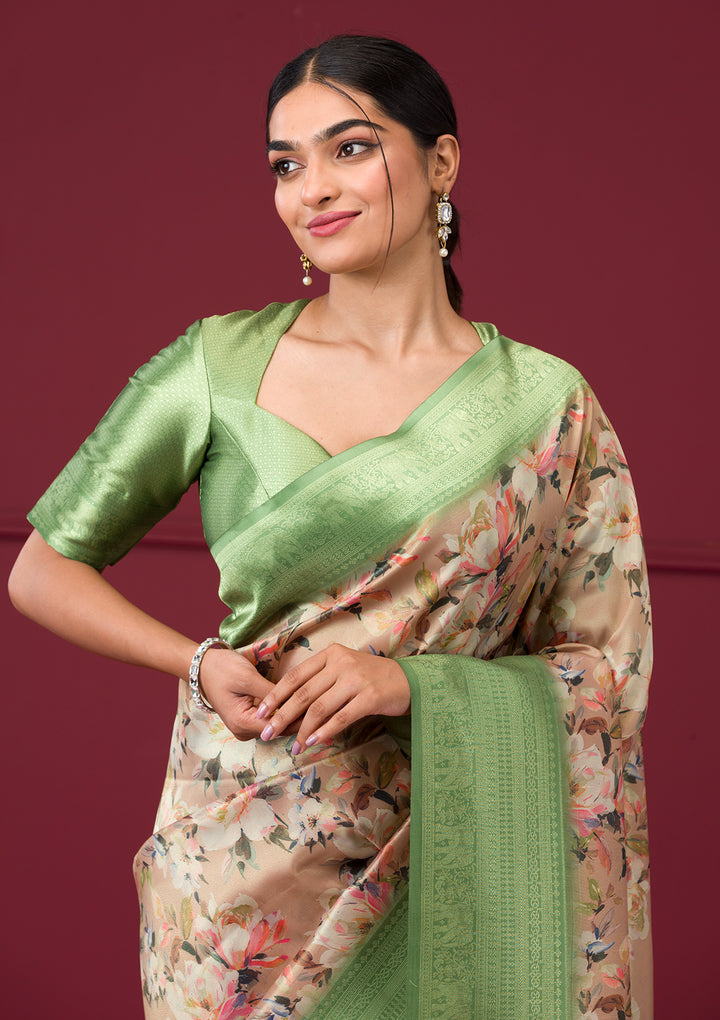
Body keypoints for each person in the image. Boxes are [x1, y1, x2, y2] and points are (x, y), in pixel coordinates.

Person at [8, 34, 652, 1020]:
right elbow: (42, 570)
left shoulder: (547, 405)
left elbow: (607, 669)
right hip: (240, 876)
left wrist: (410, 682)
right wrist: (195, 663)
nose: (312, 188)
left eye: (350, 148)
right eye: (285, 164)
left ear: (441, 162)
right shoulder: (216, 367)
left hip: (452, 865)